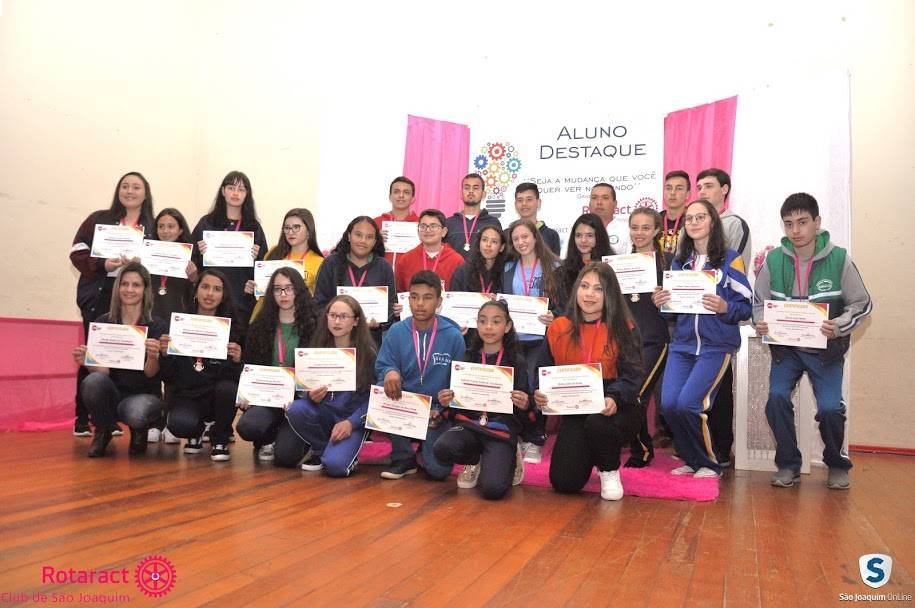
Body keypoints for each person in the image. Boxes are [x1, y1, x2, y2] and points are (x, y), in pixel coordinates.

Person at [754, 193, 872, 490]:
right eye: (789, 223)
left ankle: (836, 464)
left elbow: (862, 304)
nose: (795, 230)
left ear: (817, 222)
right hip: (786, 350)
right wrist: (761, 322)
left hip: (825, 351)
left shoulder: (839, 258)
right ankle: (788, 464)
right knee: (776, 399)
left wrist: (839, 326)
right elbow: (758, 303)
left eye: (802, 222)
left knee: (831, 409)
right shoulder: (773, 260)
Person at [652, 200, 752, 478]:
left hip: (716, 346)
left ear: (712, 222)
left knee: (689, 404)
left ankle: (710, 463)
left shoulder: (731, 259)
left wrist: (725, 307)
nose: (694, 223)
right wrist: (661, 302)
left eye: (700, 217)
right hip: (682, 345)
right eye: (689, 219)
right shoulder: (679, 262)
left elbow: (746, 307)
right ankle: (692, 458)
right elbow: (672, 312)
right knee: (669, 405)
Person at [533, 262, 643, 500]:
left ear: (609, 294)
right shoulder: (558, 327)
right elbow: (542, 371)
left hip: (615, 407)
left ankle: (609, 470)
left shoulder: (624, 327)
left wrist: (614, 397)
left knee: (598, 424)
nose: (589, 294)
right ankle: (593, 452)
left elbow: (632, 374)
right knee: (564, 482)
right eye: (584, 286)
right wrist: (539, 392)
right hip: (575, 408)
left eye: (598, 289)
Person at [70, 172, 156, 437]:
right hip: (100, 295)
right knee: (94, 354)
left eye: (136, 187)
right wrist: (103, 264)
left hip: (136, 296)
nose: (130, 191)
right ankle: (84, 417)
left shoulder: (152, 227)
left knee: (134, 352)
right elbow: (77, 251)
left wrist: (145, 264)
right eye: (125, 186)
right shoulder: (99, 219)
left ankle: (121, 415)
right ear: (118, 191)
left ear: (145, 194)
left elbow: (164, 261)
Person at [434, 300, 531, 499]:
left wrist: (525, 404)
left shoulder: (516, 361)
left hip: (500, 431)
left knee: (492, 490)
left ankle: (510, 456)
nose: (488, 327)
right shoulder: (467, 358)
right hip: (470, 427)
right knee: (442, 448)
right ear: (476, 324)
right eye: (483, 321)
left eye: (496, 321)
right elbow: (455, 402)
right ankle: (475, 460)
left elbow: (527, 409)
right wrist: (447, 400)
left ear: (507, 326)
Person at [375, 271, 466, 480]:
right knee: (383, 385)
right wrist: (389, 372)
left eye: (427, 297)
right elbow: (383, 364)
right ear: (408, 300)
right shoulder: (396, 331)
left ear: (439, 302)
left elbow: (460, 383)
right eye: (414, 297)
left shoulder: (453, 336)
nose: (420, 304)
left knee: (438, 471)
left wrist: (442, 411)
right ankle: (403, 457)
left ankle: (425, 447)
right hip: (407, 405)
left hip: (437, 412)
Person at [71, 262, 166, 457]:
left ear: (145, 290)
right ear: (117, 287)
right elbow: (103, 373)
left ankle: (139, 430)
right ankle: (103, 430)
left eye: (136, 285)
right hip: (113, 394)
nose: (129, 290)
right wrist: (88, 361)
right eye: (124, 284)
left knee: (135, 412)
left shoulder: (156, 325)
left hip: (144, 396)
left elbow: (151, 374)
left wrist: (153, 356)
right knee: (92, 381)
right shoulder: (103, 323)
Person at [283, 295, 377, 476]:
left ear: (356, 321)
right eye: (332, 315)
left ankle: (338, 453)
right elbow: (303, 389)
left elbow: (374, 400)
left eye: (343, 316)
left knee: (336, 467)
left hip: (350, 420)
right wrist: (310, 396)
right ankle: (321, 450)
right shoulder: (317, 348)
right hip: (324, 414)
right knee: (295, 409)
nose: (337, 321)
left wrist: (351, 422)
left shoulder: (368, 353)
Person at [695, 168, 752, 467]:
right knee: (694, 390)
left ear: (725, 189)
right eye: (699, 187)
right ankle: (697, 447)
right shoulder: (691, 228)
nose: (702, 191)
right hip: (693, 320)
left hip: (721, 318)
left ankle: (720, 447)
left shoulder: (734, 224)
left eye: (708, 186)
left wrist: (721, 303)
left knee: (720, 389)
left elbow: (726, 268)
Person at [158, 269, 244, 461]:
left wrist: (237, 360)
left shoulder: (232, 328)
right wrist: (165, 355)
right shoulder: (180, 325)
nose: (210, 294)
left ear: (223, 296)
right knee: (179, 425)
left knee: (228, 389)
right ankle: (195, 432)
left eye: (217, 289)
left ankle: (220, 438)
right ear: (196, 291)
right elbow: (168, 376)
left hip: (217, 397)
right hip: (188, 396)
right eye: (205, 287)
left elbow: (236, 379)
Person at [235, 268, 319, 462]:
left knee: (286, 457)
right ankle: (268, 437)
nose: (283, 294)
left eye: (289, 288)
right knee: (247, 426)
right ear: (271, 293)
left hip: (298, 403)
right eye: (277, 289)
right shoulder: (259, 326)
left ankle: (299, 439)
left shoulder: (315, 326)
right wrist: (247, 395)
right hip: (268, 399)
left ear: (299, 290)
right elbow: (249, 366)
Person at [502, 219, 560, 464]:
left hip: (541, 339)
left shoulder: (555, 267)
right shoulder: (507, 268)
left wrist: (554, 315)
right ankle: (520, 434)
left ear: (536, 237)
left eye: (525, 236)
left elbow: (565, 304)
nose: (521, 242)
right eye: (516, 239)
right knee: (516, 388)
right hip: (515, 338)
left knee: (536, 387)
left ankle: (536, 439)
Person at [622, 207, 671, 468]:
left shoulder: (669, 263)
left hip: (655, 341)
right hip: (626, 342)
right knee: (626, 394)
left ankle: (641, 450)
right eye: (634, 227)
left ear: (656, 231)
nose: (639, 233)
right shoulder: (619, 264)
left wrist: (664, 299)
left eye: (645, 228)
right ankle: (636, 445)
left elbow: (678, 305)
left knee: (637, 395)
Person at [148, 207, 198, 444]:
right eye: (161, 226)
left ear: (180, 230)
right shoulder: (148, 255)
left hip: (177, 323)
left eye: (171, 226)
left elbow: (197, 297)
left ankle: (169, 422)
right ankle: (153, 422)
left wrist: (194, 278)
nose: (165, 231)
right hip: (152, 321)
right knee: (151, 372)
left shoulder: (189, 260)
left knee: (172, 376)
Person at [190, 171, 268, 323]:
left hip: (241, 301)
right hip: (209, 301)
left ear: (247, 194)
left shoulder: (253, 227)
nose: (235, 193)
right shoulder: (207, 223)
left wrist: (255, 260)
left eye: (241, 189)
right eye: (231, 188)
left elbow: (263, 269)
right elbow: (192, 265)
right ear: (223, 191)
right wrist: (200, 253)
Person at [312, 216, 396, 347]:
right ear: (349, 236)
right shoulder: (331, 264)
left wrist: (381, 321)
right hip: (334, 342)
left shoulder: (383, 267)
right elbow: (319, 304)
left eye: (369, 237)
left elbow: (391, 305)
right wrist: (337, 319)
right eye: (358, 235)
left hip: (370, 343)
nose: (363, 241)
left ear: (375, 241)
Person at [395, 209, 463, 294]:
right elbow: (399, 293)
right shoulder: (406, 260)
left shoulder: (456, 261)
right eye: (423, 226)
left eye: (433, 226)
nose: (428, 230)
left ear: (444, 232)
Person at [263, 208, 325, 294]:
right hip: (269, 302)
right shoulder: (273, 252)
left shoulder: (320, 262)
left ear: (308, 231)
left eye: (296, 227)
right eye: (287, 228)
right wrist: (253, 288)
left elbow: (320, 296)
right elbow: (263, 289)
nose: (291, 232)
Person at [444, 173, 502, 259]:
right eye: (467, 188)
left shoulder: (493, 223)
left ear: (483, 194)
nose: (471, 191)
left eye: (475, 188)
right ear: (461, 193)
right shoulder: (449, 223)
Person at [557, 213, 614, 299]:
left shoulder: (613, 265)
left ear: (599, 237)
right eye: (578, 235)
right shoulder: (563, 271)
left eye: (589, 235)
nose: (583, 240)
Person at [375, 176, 420, 271]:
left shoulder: (421, 224)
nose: (401, 195)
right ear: (390, 197)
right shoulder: (375, 223)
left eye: (406, 192)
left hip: (411, 276)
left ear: (413, 199)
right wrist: (374, 240)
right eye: (396, 192)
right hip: (381, 276)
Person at [514, 183, 561, 255]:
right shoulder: (507, 234)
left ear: (538, 203)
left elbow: (555, 261)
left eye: (529, 199)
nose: (524, 203)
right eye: (520, 200)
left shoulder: (551, 235)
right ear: (515, 204)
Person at [588, 182, 630, 254]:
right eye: (594, 198)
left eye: (605, 198)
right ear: (589, 204)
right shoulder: (579, 228)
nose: (599, 202)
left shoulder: (627, 228)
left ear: (615, 204)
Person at [659, 170, 691, 255]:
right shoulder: (654, 221)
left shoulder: (693, 221)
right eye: (668, 188)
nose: (672, 193)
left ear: (688, 194)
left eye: (679, 188)